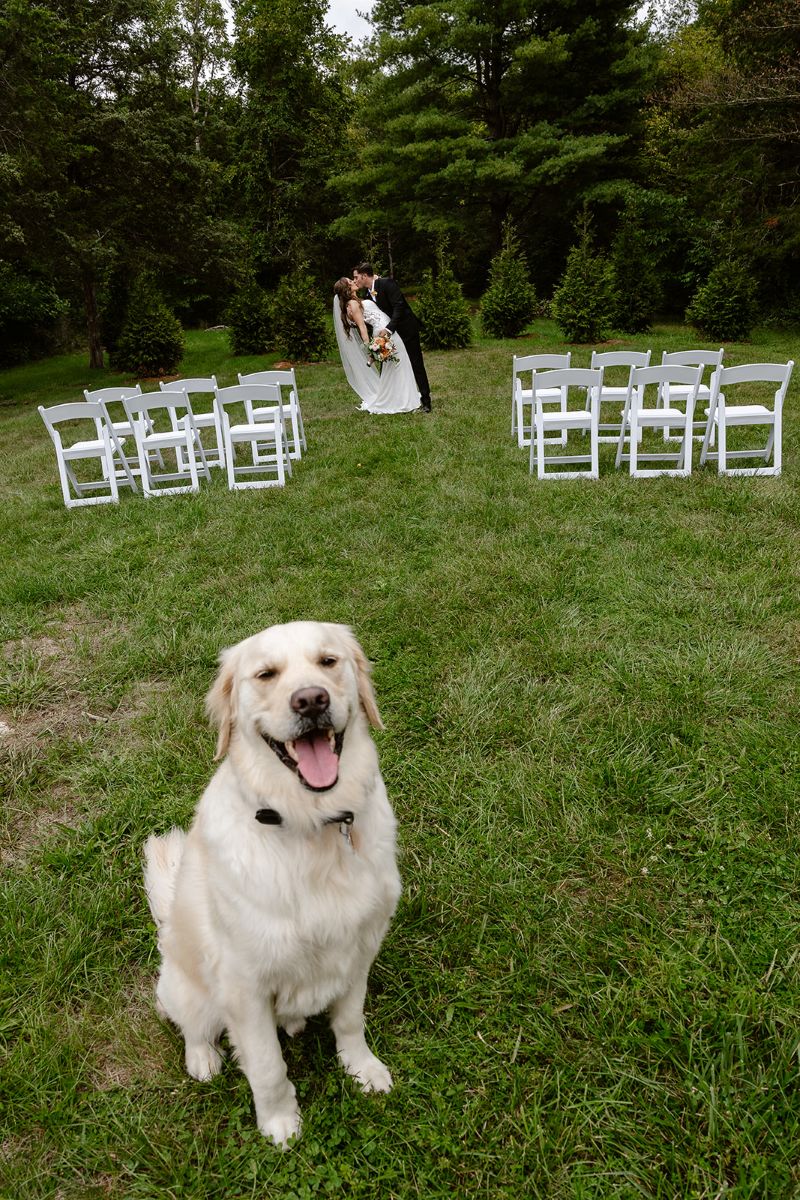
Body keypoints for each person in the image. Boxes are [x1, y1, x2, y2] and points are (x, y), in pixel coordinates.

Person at [332, 278, 421, 414]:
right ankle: (401, 400)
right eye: (350, 281)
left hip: (387, 329)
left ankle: (403, 397)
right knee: (398, 364)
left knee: (396, 365)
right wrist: (370, 348)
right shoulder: (352, 305)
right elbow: (362, 328)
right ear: (347, 288)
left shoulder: (357, 300)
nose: (354, 281)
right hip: (383, 332)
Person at [353, 263, 432, 413]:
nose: (355, 280)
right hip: (389, 336)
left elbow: (399, 306)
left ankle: (426, 401)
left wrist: (389, 329)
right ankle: (391, 400)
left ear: (364, 276)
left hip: (406, 329)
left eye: (356, 277)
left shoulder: (387, 283)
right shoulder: (368, 295)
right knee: (388, 365)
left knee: (416, 364)